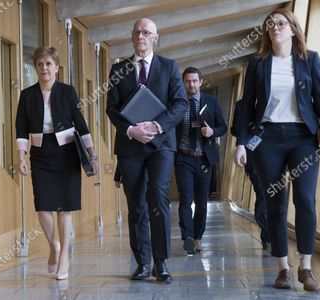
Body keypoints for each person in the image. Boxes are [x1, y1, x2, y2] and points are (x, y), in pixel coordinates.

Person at [233, 9, 320, 292]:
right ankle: (283, 269)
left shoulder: (309, 60)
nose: (274, 27)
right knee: (275, 204)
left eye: (280, 23)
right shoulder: (257, 64)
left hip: (302, 138)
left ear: (293, 29)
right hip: (267, 139)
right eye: (269, 24)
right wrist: (241, 142)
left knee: (305, 200)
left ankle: (306, 266)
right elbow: (247, 106)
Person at [106, 18, 187, 283]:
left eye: (146, 32)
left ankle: (160, 263)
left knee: (158, 197)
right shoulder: (118, 69)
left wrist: (156, 125)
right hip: (130, 147)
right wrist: (131, 130)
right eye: (137, 32)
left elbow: (180, 103)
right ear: (132, 37)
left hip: (161, 145)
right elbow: (112, 109)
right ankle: (142, 262)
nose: (141, 36)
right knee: (136, 204)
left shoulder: (169, 67)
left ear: (155, 37)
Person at [15, 46, 98, 280]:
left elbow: (80, 124)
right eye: (40, 64)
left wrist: (91, 154)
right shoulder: (27, 95)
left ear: (57, 67)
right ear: (36, 68)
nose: (44, 68)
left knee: (65, 207)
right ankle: (55, 246)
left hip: (68, 151)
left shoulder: (67, 92)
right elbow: (21, 129)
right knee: (43, 206)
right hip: (40, 153)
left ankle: (64, 258)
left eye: (48, 64)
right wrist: (21, 157)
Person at [175, 67, 227, 255]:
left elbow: (223, 126)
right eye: (188, 81)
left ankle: (198, 237)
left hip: (204, 159)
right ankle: (187, 237)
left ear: (201, 82)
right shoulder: (178, 102)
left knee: (202, 202)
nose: (192, 85)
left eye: (195, 81)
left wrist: (212, 131)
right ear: (184, 83)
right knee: (185, 200)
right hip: (184, 158)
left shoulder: (211, 102)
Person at [231, 99, 270, 251]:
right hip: (252, 154)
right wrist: (247, 129)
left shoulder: (271, 100)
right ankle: (267, 235)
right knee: (262, 192)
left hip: (274, 152)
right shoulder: (241, 105)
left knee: (274, 193)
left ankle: (272, 234)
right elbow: (235, 130)